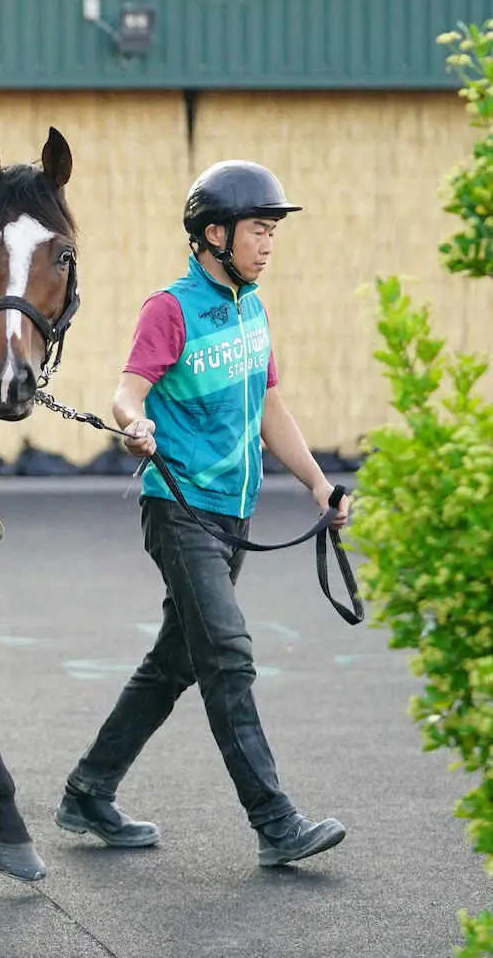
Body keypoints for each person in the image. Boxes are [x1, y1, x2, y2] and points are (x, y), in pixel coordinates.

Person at [54, 160, 350, 867]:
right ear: (212, 234)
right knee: (226, 654)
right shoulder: (172, 308)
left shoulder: (253, 308)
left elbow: (269, 407)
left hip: (233, 518)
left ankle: (89, 791)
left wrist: (317, 484)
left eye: (273, 231)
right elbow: (129, 391)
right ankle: (275, 821)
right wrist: (135, 423)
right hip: (180, 510)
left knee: (175, 662)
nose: (269, 243)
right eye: (258, 229)